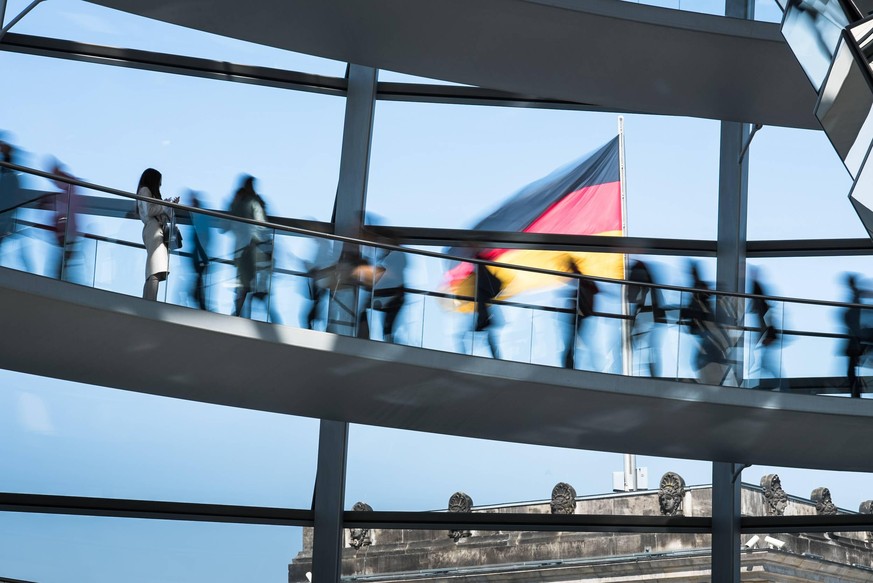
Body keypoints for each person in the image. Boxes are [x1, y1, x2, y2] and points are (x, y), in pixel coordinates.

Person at [228, 175, 278, 321]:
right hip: (253, 250)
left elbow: (229, 224)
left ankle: (239, 315)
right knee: (253, 287)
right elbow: (261, 225)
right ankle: (269, 321)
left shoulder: (240, 201)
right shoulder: (254, 202)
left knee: (245, 285)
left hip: (243, 250)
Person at [136, 168, 178, 301]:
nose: (159, 186)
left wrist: (168, 205)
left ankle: (149, 300)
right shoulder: (145, 190)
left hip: (154, 229)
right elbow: (149, 211)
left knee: (155, 269)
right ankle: (150, 301)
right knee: (155, 268)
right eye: (159, 183)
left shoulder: (145, 191)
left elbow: (155, 212)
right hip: (153, 230)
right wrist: (165, 205)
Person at [625, 259, 664, 377]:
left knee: (646, 348)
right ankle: (652, 375)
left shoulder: (647, 289)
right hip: (649, 318)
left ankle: (650, 374)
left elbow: (631, 298)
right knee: (650, 349)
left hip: (646, 318)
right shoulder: (652, 288)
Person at [561, 260, 598, 370]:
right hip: (579, 316)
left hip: (577, 316)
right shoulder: (581, 280)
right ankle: (572, 366)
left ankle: (571, 366)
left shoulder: (577, 279)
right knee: (576, 345)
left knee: (572, 345)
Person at [188, 190, 211, 310]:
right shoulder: (198, 217)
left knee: (199, 281)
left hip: (199, 256)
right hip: (199, 256)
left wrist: (203, 257)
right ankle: (201, 305)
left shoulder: (200, 217)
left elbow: (201, 239)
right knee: (199, 280)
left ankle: (201, 305)